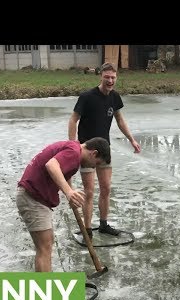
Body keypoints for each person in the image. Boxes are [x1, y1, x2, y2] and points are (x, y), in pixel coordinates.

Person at [68, 62, 141, 238]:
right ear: (101, 76)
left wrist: (131, 139)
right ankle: (87, 230)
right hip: (86, 151)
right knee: (90, 191)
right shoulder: (87, 97)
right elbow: (73, 120)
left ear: (116, 78)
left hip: (104, 150)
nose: (110, 80)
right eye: (107, 77)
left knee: (106, 188)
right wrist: (73, 145)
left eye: (113, 77)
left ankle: (103, 224)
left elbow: (120, 120)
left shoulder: (114, 97)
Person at [16, 137, 111, 272]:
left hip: (34, 197)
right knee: (44, 248)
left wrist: (70, 192)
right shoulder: (73, 152)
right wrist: (68, 193)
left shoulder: (73, 149)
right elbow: (52, 165)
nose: (92, 167)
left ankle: (46, 285)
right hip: (32, 198)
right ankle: (44, 290)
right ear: (94, 153)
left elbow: (64, 171)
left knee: (46, 246)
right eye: (95, 164)